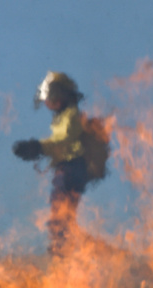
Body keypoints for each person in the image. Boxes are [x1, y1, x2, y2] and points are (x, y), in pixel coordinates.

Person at [13, 71, 111, 256]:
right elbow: (60, 142)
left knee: (61, 217)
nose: (48, 101)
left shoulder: (72, 115)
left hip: (72, 170)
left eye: (52, 95)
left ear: (62, 94)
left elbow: (63, 141)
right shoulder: (63, 116)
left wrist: (38, 147)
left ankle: (67, 250)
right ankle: (68, 248)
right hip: (67, 170)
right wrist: (39, 149)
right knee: (61, 217)